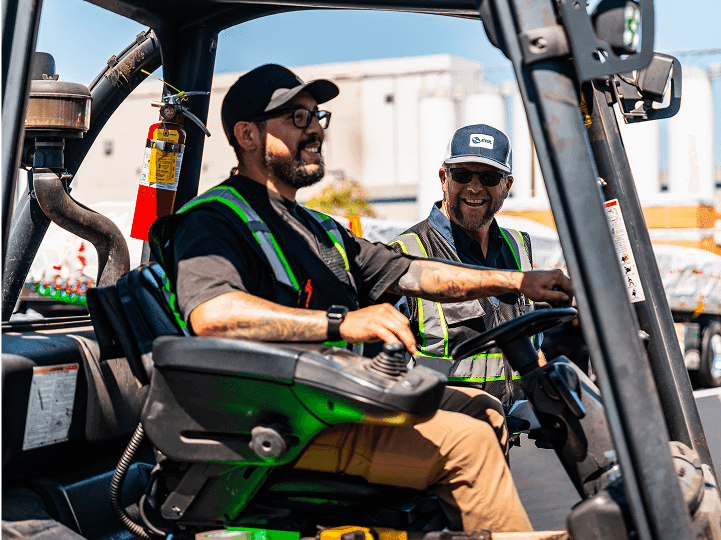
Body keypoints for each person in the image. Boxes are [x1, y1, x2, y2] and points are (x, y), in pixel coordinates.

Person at [149, 64, 572, 533]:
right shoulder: (213, 220)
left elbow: (415, 272)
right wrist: (342, 323)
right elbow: (213, 314)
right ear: (247, 135)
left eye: (316, 116)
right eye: (296, 117)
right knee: (466, 443)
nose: (314, 129)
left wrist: (518, 282)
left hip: (328, 403)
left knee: (485, 411)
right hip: (273, 425)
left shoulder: (317, 229)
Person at [391, 124, 539, 410]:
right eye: (462, 175)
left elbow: (535, 347)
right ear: (443, 178)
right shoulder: (406, 253)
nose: (474, 187)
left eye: (489, 177)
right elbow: (384, 369)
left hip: (514, 427)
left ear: (507, 186)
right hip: (440, 430)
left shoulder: (519, 247)